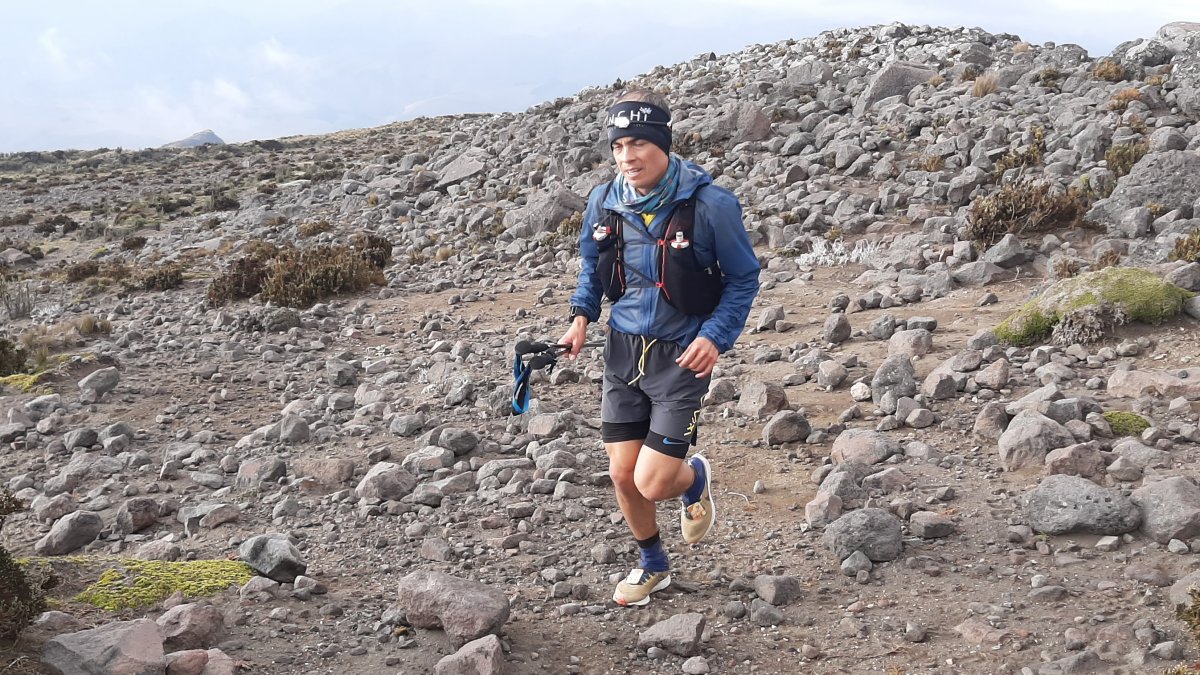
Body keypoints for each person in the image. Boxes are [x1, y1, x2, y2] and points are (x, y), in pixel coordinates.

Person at [558, 89, 760, 606]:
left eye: (638, 144)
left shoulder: (711, 205)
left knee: (652, 481)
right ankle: (654, 566)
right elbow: (592, 267)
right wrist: (580, 318)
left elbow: (743, 279)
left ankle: (693, 479)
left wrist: (714, 337)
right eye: (618, 145)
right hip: (623, 351)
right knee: (622, 474)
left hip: (680, 356)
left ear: (662, 143)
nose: (627, 157)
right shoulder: (605, 201)